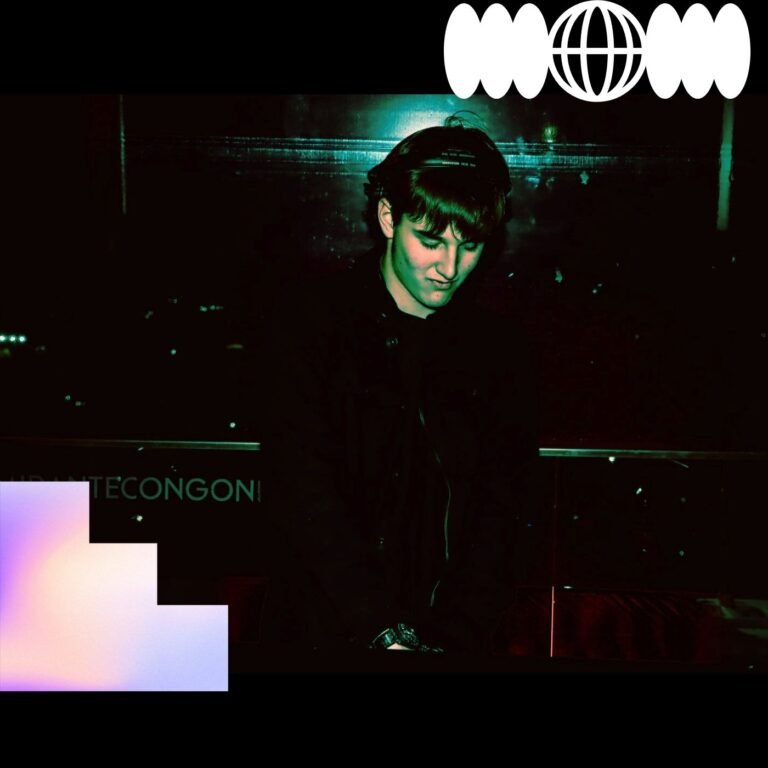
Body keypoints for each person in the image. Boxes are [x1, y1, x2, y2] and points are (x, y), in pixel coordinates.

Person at [258, 116, 540, 658]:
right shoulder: (311, 328)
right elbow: (303, 494)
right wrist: (381, 631)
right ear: (388, 217)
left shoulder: (500, 354)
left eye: (471, 244)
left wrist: (454, 639)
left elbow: (502, 519)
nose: (449, 266)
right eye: (430, 240)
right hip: (323, 637)